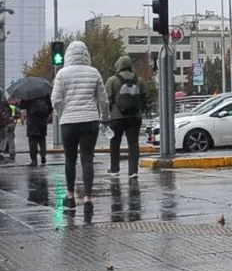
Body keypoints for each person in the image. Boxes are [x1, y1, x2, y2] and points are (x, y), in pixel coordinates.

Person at [51, 40, 110, 217]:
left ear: (68, 55)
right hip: (90, 121)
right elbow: (103, 101)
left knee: (70, 160)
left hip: (68, 122)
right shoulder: (94, 73)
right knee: (87, 160)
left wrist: (63, 115)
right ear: (86, 54)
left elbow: (56, 100)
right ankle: (88, 199)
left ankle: (70, 196)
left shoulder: (61, 74)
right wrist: (104, 119)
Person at [106, 55, 145, 178]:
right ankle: (133, 171)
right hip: (135, 117)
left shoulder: (113, 80)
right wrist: (140, 111)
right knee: (133, 143)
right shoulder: (139, 80)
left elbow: (107, 99)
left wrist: (107, 115)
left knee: (115, 142)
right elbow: (144, 98)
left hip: (117, 117)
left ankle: (114, 169)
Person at [19, 95, 52, 167]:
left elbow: (22, 106)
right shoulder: (45, 94)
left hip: (32, 121)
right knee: (42, 139)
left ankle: (34, 160)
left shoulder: (28, 95)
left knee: (32, 140)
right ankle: (43, 156)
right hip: (42, 121)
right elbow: (50, 107)